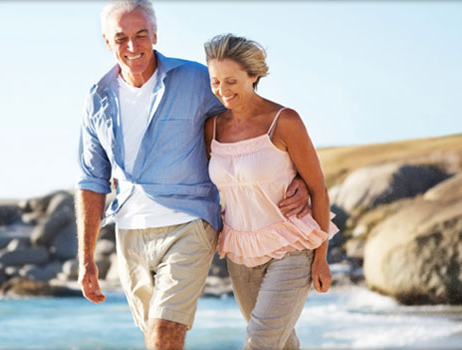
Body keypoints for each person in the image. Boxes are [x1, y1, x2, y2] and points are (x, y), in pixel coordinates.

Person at [75, 1, 311, 349]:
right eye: (121, 38)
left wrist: (299, 176)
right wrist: (86, 259)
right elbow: (91, 180)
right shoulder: (97, 98)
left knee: (164, 334)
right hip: (130, 230)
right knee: (154, 335)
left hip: (190, 221)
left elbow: (253, 121)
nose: (132, 46)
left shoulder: (196, 79)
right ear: (107, 42)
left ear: (154, 35)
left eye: (141, 35)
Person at [203, 33, 339, 350]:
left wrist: (321, 259)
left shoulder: (284, 120)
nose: (223, 91)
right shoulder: (212, 128)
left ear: (253, 75)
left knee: (260, 342)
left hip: (291, 248)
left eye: (232, 81)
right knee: (281, 343)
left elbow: (318, 189)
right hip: (239, 253)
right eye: (215, 82)